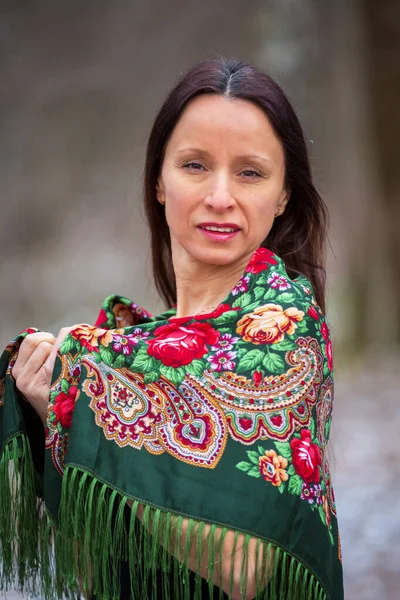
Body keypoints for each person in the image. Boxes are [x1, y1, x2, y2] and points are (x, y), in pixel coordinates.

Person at [0, 58, 343, 599]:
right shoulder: (132, 356)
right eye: (194, 165)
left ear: (283, 195)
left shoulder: (284, 329)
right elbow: (104, 573)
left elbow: (243, 563)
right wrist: (56, 406)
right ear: (159, 180)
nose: (220, 196)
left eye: (250, 172)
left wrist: (91, 412)